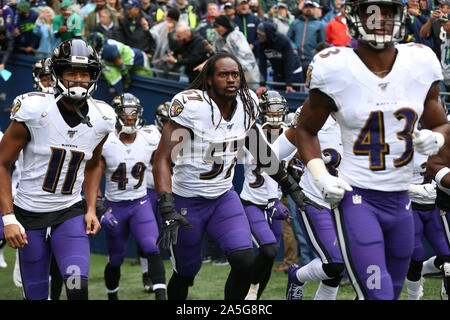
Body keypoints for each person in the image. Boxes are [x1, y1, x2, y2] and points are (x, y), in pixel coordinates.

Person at [292, 0, 449, 300]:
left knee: (389, 292)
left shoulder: (419, 60)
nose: (379, 19)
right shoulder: (334, 65)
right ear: (354, 17)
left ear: (400, 17)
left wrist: (437, 141)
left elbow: (440, 123)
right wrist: (320, 176)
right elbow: (305, 128)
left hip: (402, 200)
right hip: (358, 198)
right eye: (370, 11)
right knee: (377, 295)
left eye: (387, 12)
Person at [152, 52, 312, 300]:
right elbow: (162, 158)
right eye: (223, 74)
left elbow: (260, 151)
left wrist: (290, 186)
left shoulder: (247, 104)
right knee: (185, 273)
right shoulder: (193, 108)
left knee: (245, 262)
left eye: (235, 74)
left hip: (223, 197)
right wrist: (166, 205)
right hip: (188, 200)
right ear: (208, 79)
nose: (231, 80)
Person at [0, 39, 116, 300]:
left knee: (78, 289)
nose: (78, 80)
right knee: (37, 295)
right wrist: (8, 218)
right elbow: (2, 162)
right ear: (57, 75)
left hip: (69, 213)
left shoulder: (103, 117)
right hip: (30, 215)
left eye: (84, 74)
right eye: (71, 73)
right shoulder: (34, 109)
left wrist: (90, 207)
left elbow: (94, 162)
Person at [100, 93, 166, 300]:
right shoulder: (105, 140)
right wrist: (99, 206)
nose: (129, 117)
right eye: (124, 112)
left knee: (152, 247)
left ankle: (161, 296)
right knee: (116, 258)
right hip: (115, 206)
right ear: (115, 114)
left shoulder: (150, 136)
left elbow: (161, 166)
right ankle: (112, 296)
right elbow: (91, 176)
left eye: (133, 112)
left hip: (140, 202)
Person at [239, 90, 293, 300]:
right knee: (269, 250)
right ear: (262, 110)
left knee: (269, 256)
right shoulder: (253, 134)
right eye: (271, 108)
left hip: (276, 204)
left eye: (279, 109)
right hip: (253, 201)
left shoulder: (290, 135)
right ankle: (250, 289)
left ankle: (253, 296)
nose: (276, 113)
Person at [404, 149, 450, 300]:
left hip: (436, 207)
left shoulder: (441, 137)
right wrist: (413, 188)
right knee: (415, 258)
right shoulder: (400, 138)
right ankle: (413, 297)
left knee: (448, 260)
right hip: (410, 206)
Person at [197, 15, 260, 87]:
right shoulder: (218, 37)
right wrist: (211, 51)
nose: (216, 29)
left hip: (245, 72)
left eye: (218, 26)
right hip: (229, 72)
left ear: (224, 25)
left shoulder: (237, 35)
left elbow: (248, 58)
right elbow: (218, 55)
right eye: (215, 27)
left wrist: (234, 68)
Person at [87, 32, 151, 96]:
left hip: (140, 61)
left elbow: (120, 65)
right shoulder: (103, 45)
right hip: (127, 60)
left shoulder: (108, 49)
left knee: (147, 83)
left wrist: (126, 82)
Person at [255, 21, 300, 94]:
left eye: (260, 34)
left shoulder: (283, 41)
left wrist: (289, 84)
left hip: (293, 71)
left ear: (267, 34)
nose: (258, 36)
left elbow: (288, 62)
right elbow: (262, 65)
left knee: (293, 96)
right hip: (278, 72)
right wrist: (262, 84)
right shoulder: (261, 44)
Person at [287, 0, 326, 82]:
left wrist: (317, 55)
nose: (308, 9)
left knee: (311, 85)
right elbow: (288, 38)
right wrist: (293, 47)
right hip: (296, 59)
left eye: (311, 7)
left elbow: (322, 43)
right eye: (306, 7)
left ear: (314, 9)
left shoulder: (319, 24)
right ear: (302, 9)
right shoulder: (295, 23)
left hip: (311, 60)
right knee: (297, 84)